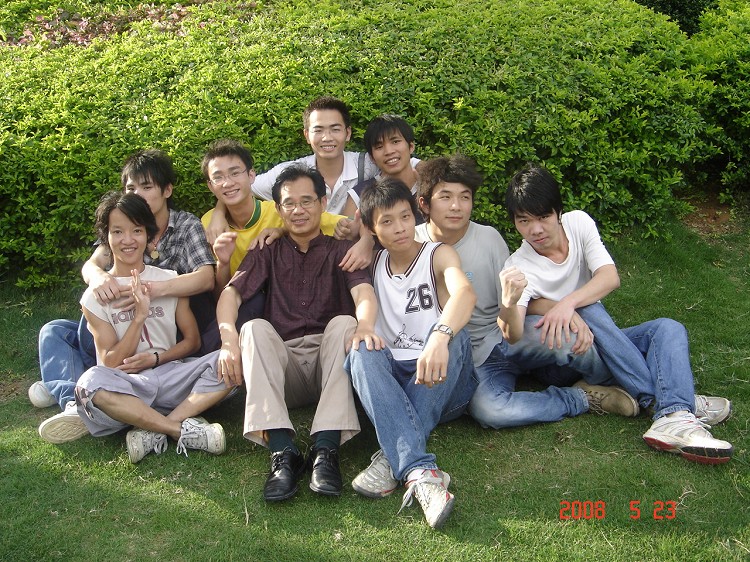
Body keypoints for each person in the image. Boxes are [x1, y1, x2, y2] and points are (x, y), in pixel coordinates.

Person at [501, 164, 733, 464]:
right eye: (524, 221)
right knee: (589, 307)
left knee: (667, 328)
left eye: (543, 217)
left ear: (558, 212)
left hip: (601, 339)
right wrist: (510, 302)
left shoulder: (578, 223)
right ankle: (670, 404)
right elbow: (513, 335)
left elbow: (609, 277)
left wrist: (567, 304)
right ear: (515, 222)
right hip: (564, 360)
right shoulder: (518, 266)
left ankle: (675, 411)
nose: (535, 229)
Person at [414, 155, 638, 430]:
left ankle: (617, 381)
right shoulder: (411, 243)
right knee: (490, 411)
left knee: (569, 335)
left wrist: (562, 308)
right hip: (471, 358)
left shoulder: (489, 239)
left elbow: (518, 300)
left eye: (465, 197)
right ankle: (580, 398)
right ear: (424, 203)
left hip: (504, 338)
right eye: (445, 197)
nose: (456, 206)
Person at [215, 164, 381, 502]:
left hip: (329, 367)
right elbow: (231, 293)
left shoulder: (340, 249)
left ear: (323, 203)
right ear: (278, 209)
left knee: (345, 323)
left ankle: (325, 449)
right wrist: (228, 339)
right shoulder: (267, 249)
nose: (298, 210)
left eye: (307, 201)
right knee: (253, 329)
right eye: (289, 203)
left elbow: (363, 292)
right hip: (285, 368)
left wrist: (365, 324)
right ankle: (282, 451)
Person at [38, 192, 230, 464]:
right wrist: (139, 318)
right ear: (106, 238)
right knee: (90, 382)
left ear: (149, 237)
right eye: (118, 232)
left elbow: (193, 342)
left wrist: (157, 358)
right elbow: (109, 363)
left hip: (171, 375)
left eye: (137, 231)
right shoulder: (95, 297)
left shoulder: (169, 280)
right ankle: (177, 429)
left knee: (234, 359)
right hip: (128, 385)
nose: (127, 240)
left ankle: (148, 426)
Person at [31, 149, 216, 421]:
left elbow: (206, 277)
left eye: (146, 187)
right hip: (114, 324)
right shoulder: (119, 222)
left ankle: (71, 380)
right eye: (131, 188)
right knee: (55, 331)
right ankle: (71, 398)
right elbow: (93, 263)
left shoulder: (186, 225)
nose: (137, 194)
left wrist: (152, 289)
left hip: (162, 325)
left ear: (167, 190)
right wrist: (99, 277)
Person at [345, 178, 478, 529]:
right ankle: (421, 473)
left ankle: (389, 458)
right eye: (387, 222)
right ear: (372, 229)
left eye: (405, 217)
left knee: (457, 337)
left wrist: (439, 338)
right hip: (395, 382)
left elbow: (464, 294)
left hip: (442, 383)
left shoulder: (438, 254)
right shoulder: (373, 263)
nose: (400, 228)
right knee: (360, 349)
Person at [199, 139, 349, 351]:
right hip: (236, 301)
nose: (228, 183)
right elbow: (222, 293)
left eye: (235, 173)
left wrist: (282, 229)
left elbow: (331, 223)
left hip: (279, 305)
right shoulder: (208, 223)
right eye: (218, 177)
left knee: (257, 300)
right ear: (210, 185)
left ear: (251, 175)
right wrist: (223, 263)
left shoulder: (282, 209)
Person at [204, 97, 420, 241]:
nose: (327, 138)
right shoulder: (289, 174)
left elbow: (409, 163)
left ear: (347, 133)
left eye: (335, 129)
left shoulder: (368, 163)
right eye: (318, 130)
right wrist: (219, 214)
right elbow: (240, 185)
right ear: (307, 135)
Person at [341, 113, 421, 221]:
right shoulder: (359, 196)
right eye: (379, 147)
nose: (389, 151)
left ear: (411, 146)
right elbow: (347, 229)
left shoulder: (431, 187)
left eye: (395, 142)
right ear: (372, 157)